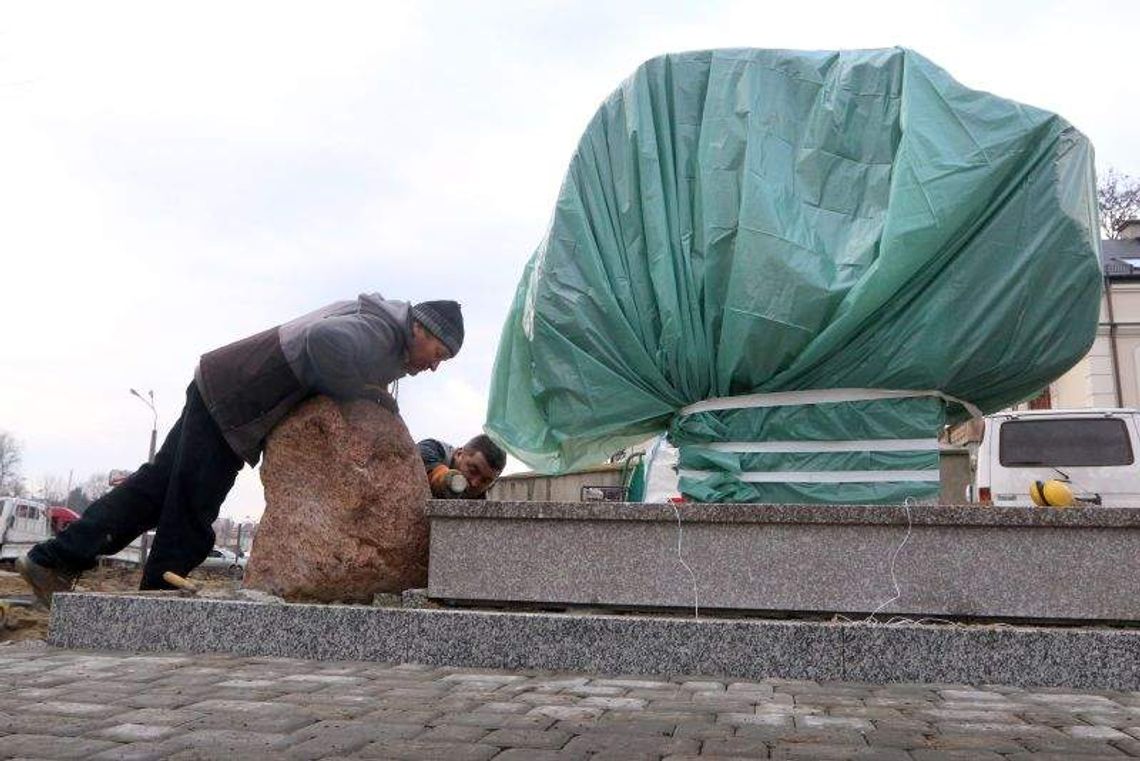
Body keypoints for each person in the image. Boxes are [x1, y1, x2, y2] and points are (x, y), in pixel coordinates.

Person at [18, 294, 464, 607]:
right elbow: (322, 344)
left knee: (156, 489)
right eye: (438, 351)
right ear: (419, 328)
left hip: (227, 387)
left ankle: (53, 560)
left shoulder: (380, 327)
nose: (434, 364)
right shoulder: (381, 331)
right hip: (237, 396)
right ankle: (157, 594)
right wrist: (360, 391)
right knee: (194, 496)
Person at [418, 434, 505, 499]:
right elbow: (435, 474)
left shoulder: (480, 501)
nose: (474, 483)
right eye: (472, 471)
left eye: (485, 481)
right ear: (459, 454)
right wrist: (450, 479)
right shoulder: (431, 450)